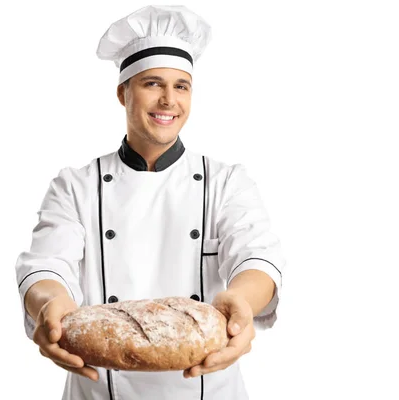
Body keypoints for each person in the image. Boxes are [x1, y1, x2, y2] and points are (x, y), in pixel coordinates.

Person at [15, 5, 286, 400]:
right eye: (152, 84)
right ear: (123, 92)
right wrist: (50, 304)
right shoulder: (76, 185)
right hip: (102, 392)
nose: (168, 101)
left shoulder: (227, 182)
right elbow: (46, 265)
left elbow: (257, 257)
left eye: (181, 86)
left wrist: (241, 301)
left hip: (208, 390)